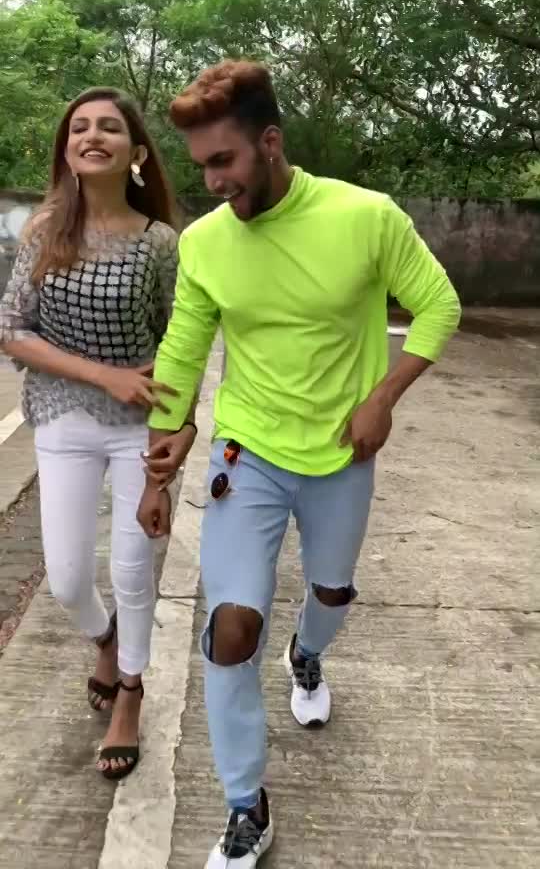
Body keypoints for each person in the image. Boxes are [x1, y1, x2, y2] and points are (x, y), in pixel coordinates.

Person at [137, 60, 461, 867]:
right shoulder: (206, 243)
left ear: (271, 142)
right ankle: (245, 804)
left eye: (224, 161)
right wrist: (162, 455)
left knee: (331, 591)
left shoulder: (365, 217)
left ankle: (308, 654)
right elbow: (184, 345)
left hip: (342, 452)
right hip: (247, 451)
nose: (213, 182)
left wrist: (384, 396)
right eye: (201, 166)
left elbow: (438, 304)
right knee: (230, 628)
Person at [0, 87, 197, 780]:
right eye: (79, 127)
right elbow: (12, 330)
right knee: (66, 579)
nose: (92, 136)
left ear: (135, 152)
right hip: (62, 417)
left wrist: (182, 424)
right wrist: (103, 375)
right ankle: (105, 640)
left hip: (140, 426)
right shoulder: (44, 231)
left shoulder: (159, 243)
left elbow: (183, 338)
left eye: (109, 127)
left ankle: (131, 691)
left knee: (133, 571)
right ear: (67, 149)